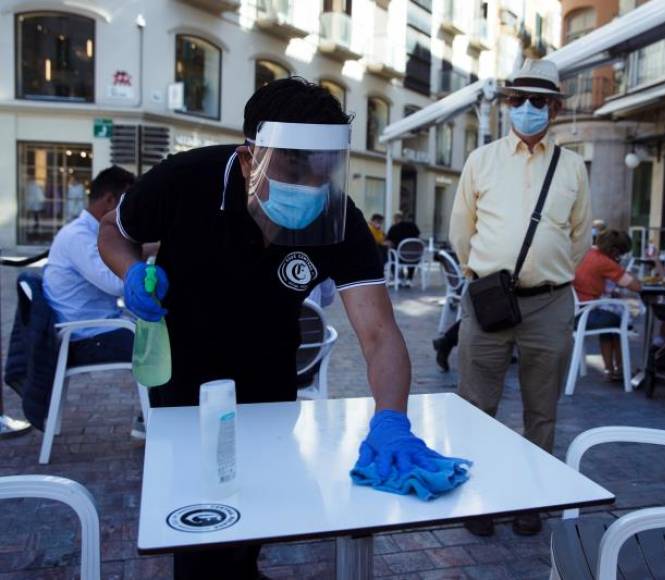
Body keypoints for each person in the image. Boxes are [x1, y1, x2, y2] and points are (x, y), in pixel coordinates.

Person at [98, 77, 453, 579]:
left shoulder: (338, 218)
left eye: (322, 168)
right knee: (199, 524)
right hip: (185, 377)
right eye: (293, 165)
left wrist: (392, 418)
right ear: (249, 159)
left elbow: (379, 333)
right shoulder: (184, 179)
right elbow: (113, 231)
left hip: (270, 374)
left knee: (259, 501)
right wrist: (130, 271)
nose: (310, 184)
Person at [449, 58, 591, 537]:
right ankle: (477, 499)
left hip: (549, 303)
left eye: (538, 101)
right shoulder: (481, 160)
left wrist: (544, 273)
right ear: (509, 104)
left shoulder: (571, 166)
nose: (527, 108)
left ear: (554, 108)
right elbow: (461, 231)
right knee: (475, 405)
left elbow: (580, 236)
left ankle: (529, 498)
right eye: (519, 99)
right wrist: (486, 273)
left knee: (541, 409)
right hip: (488, 298)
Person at [43, 166, 144, 438]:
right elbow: (116, 283)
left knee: (157, 329)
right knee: (160, 343)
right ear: (110, 201)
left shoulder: (86, 232)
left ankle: (153, 413)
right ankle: (152, 417)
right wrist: (139, 262)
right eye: (126, 200)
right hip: (84, 338)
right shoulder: (78, 237)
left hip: (93, 327)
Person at [573, 230, 642, 381]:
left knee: (610, 321)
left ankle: (609, 368)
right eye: (621, 253)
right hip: (589, 312)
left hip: (575, 311)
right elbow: (636, 286)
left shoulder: (586, 252)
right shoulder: (604, 262)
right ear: (615, 250)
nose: (620, 257)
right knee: (618, 320)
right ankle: (621, 368)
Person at [387, 212, 421, 286]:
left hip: (399, 257)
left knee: (392, 254)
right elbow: (418, 237)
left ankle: (397, 278)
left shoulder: (394, 228)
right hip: (414, 257)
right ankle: (409, 279)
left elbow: (389, 241)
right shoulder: (413, 226)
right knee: (411, 254)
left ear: (396, 219)